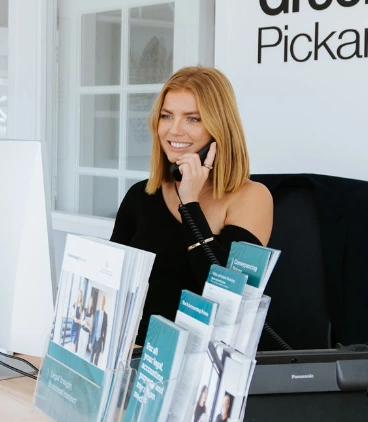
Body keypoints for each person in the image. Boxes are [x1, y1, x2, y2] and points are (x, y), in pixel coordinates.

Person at [110, 66, 273, 350]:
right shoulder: (140, 195)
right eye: (166, 116)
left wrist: (190, 204)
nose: (174, 130)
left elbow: (227, 301)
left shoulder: (251, 197)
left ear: (219, 128)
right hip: (138, 353)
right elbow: (111, 285)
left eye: (192, 118)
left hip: (205, 359)